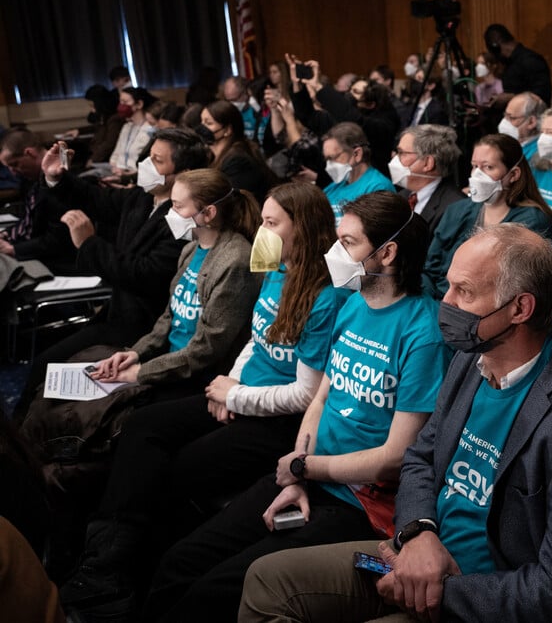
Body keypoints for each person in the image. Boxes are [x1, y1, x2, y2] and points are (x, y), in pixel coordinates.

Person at [239, 223, 552, 623]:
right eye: (448, 286)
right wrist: (419, 533)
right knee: (266, 581)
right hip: (414, 551)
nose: (445, 303)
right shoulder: (471, 356)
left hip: (481, 598)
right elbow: (421, 458)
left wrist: (440, 591)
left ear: (520, 308)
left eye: (463, 291)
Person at [141, 191, 449, 623]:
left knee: (218, 591)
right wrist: (300, 469)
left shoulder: (423, 333)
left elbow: (393, 458)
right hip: (310, 475)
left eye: (347, 242)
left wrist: (306, 469)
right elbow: (322, 396)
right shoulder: (354, 304)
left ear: (388, 253)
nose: (334, 252)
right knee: (182, 561)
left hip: (361, 505)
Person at [58, 183, 347, 616]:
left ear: (301, 229)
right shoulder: (276, 268)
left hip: (277, 419)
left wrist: (239, 396)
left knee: (174, 471)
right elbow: (258, 338)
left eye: (272, 224)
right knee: (143, 427)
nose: (262, 232)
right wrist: (227, 385)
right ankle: (108, 563)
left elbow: (306, 394)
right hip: (239, 393)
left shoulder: (324, 295)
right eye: (263, 220)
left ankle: (135, 571)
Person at [20, 169, 261, 455]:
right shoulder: (191, 249)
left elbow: (205, 350)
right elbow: (168, 318)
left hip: (193, 377)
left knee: (92, 421)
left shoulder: (235, 261)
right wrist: (135, 353)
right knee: (53, 395)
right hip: (167, 360)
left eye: (177, 206)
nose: (169, 213)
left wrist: (140, 373)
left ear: (207, 213)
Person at [13, 129, 212, 421]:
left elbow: (146, 275)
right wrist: (57, 177)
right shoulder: (143, 198)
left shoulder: (184, 219)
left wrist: (89, 244)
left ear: (185, 173)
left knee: (46, 363)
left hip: (143, 323)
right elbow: (96, 199)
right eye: (147, 157)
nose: (145, 165)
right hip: (117, 310)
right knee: (46, 364)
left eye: (156, 161)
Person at [423, 134, 552, 299]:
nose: (477, 175)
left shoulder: (532, 222)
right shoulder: (458, 210)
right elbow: (430, 267)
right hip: (439, 299)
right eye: (475, 166)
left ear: (514, 174)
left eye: (488, 167)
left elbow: (508, 287)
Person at [289, 57, 400, 176]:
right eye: (350, 90)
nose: (349, 95)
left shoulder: (381, 125)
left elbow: (353, 119)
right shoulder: (336, 120)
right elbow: (308, 116)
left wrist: (317, 85)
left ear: (370, 104)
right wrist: (298, 85)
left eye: (356, 92)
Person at [0, 130, 74, 272]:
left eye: (14, 164)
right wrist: (6, 234)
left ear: (30, 153)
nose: (12, 172)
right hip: (30, 250)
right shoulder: (30, 180)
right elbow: (28, 221)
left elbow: (59, 239)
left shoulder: (62, 180)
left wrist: (13, 249)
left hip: (55, 261)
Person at [389, 124, 465, 236]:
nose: (394, 158)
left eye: (401, 153)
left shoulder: (455, 209)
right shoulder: (401, 197)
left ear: (428, 163)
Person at [199, 100, 276, 205]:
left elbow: (233, 201)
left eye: (208, 123)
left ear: (227, 130)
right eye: (202, 122)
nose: (202, 127)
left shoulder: (239, 160)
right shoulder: (209, 155)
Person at [321, 122, 395, 224]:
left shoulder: (378, 187)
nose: (329, 165)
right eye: (327, 159)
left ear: (357, 154)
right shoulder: (331, 189)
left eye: (333, 158)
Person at [483, 23, 552, 105]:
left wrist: (511, 97)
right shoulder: (508, 63)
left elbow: (542, 94)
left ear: (496, 45)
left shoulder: (531, 60)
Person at [109, 87, 157, 175]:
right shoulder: (126, 127)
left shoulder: (150, 130)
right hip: (116, 171)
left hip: (135, 175)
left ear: (139, 104)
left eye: (125, 102)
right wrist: (114, 168)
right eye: (120, 102)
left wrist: (125, 175)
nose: (121, 105)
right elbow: (115, 154)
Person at [498, 91, 545, 161]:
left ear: (531, 122)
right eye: (505, 115)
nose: (505, 121)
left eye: (512, 118)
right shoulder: (512, 144)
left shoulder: (539, 153)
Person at [223, 76, 262, 143]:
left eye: (234, 100)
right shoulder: (227, 115)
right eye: (228, 101)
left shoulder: (258, 111)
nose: (231, 104)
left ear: (245, 93)